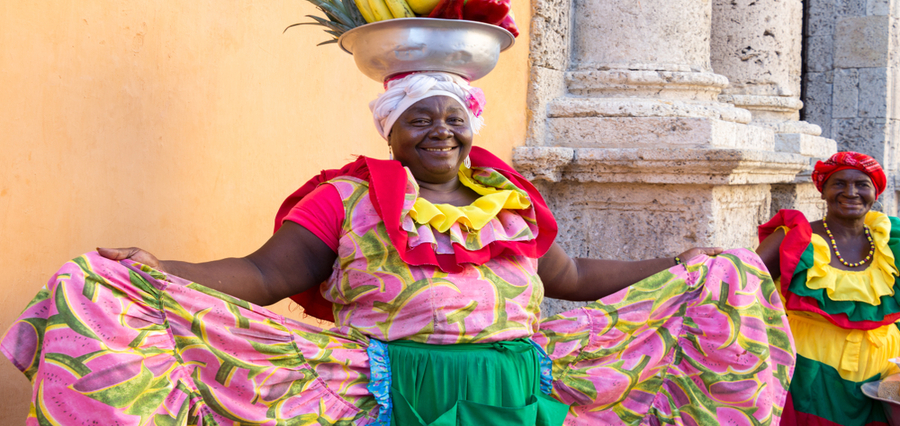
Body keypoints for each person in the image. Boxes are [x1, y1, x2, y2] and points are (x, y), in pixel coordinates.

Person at [2, 71, 795, 425]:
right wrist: (153, 271)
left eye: (454, 117)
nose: (441, 131)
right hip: (380, 389)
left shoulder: (512, 203)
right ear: (392, 129)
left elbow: (575, 277)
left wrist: (681, 265)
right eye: (422, 118)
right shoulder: (344, 200)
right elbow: (264, 274)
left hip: (514, 389)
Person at [757, 151, 900, 426]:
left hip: (884, 376)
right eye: (839, 184)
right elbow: (738, 282)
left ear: (876, 192)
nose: (851, 192)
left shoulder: (891, 240)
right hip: (810, 374)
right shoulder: (793, 240)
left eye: (862, 184)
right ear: (822, 191)